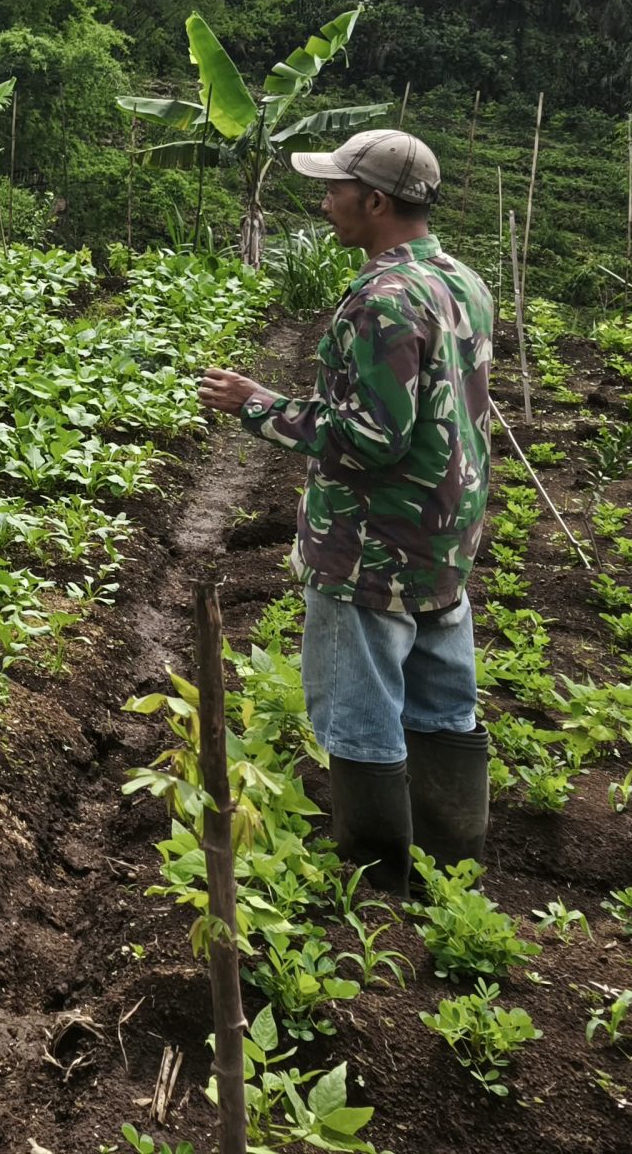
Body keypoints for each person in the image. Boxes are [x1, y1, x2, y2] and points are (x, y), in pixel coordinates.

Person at [197, 129, 496, 895]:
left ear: (375, 200)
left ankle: (378, 878)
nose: (323, 201)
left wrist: (258, 406)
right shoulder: (462, 281)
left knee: (360, 715)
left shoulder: (383, 299)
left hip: (372, 548)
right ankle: (449, 868)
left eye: (334, 189)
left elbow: (371, 438)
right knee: (442, 706)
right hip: (445, 537)